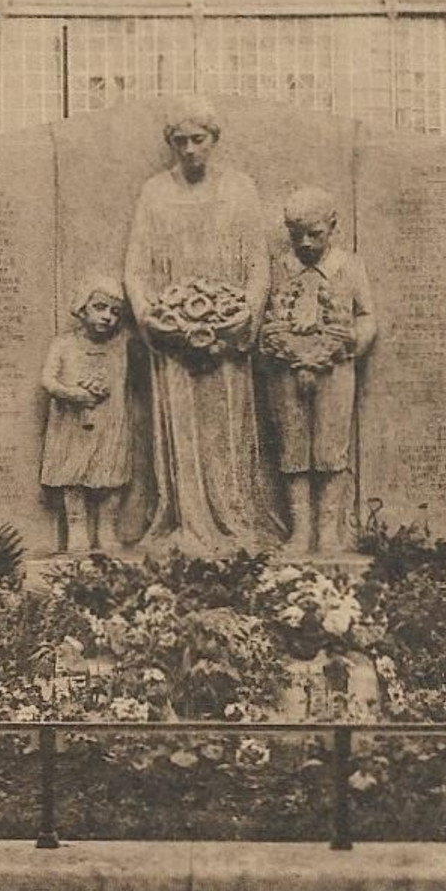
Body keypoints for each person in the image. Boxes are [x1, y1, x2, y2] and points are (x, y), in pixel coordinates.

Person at [123, 96, 281, 554]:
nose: (190, 150)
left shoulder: (240, 188)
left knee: (227, 429)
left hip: (226, 338)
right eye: (180, 141)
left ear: (214, 140)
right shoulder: (155, 191)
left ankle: (235, 520)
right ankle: (183, 522)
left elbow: (257, 264)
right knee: (181, 432)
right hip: (173, 337)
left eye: (199, 139)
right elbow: (136, 267)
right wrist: (154, 316)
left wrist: (240, 316)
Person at [261, 186, 378, 555]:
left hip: (336, 370)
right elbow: (268, 316)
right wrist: (283, 349)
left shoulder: (350, 266)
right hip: (287, 371)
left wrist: (351, 344)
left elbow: (367, 315)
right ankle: (300, 531)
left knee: (330, 451)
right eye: (298, 235)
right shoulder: (279, 267)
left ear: (332, 226)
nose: (306, 243)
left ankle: (328, 532)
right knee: (293, 450)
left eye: (315, 234)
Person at [40, 276, 133, 554]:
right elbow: (48, 379)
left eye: (115, 312)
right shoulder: (64, 344)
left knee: (111, 476)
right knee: (73, 477)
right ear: (83, 308)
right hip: (72, 423)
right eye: (100, 307)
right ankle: (77, 529)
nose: (108, 317)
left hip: (110, 423)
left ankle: (107, 528)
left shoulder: (122, 344)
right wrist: (72, 393)